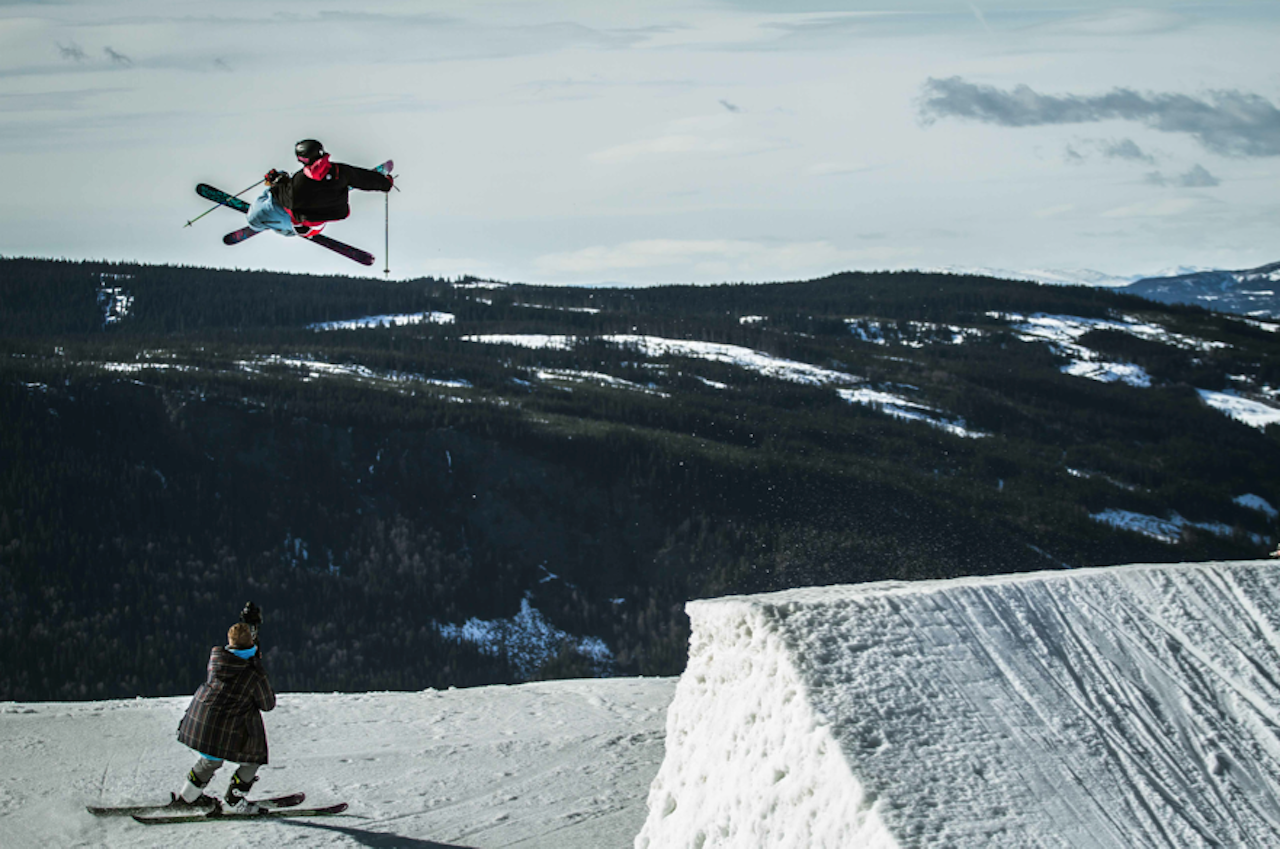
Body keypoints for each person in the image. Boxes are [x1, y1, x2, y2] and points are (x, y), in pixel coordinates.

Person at [173, 611, 276, 813]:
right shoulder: (253, 674)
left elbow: (242, 652)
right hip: (227, 728)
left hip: (201, 719)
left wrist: (251, 630)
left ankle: (187, 799)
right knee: (252, 759)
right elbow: (267, 704)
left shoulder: (218, 661)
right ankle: (234, 799)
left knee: (210, 759)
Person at [247, 138, 393, 238]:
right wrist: (384, 184)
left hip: (300, 224)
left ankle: (263, 224)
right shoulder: (339, 171)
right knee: (335, 187)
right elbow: (363, 178)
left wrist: (277, 182)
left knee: (257, 214)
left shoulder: (300, 181)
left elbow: (287, 199)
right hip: (321, 222)